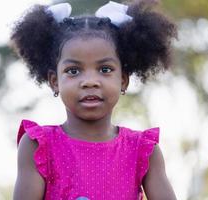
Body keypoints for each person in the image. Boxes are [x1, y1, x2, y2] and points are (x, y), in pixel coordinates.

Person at [11, 1, 177, 199]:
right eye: (73, 71)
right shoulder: (37, 146)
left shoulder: (144, 151)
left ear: (123, 80)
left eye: (105, 69)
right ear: (54, 81)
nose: (89, 82)